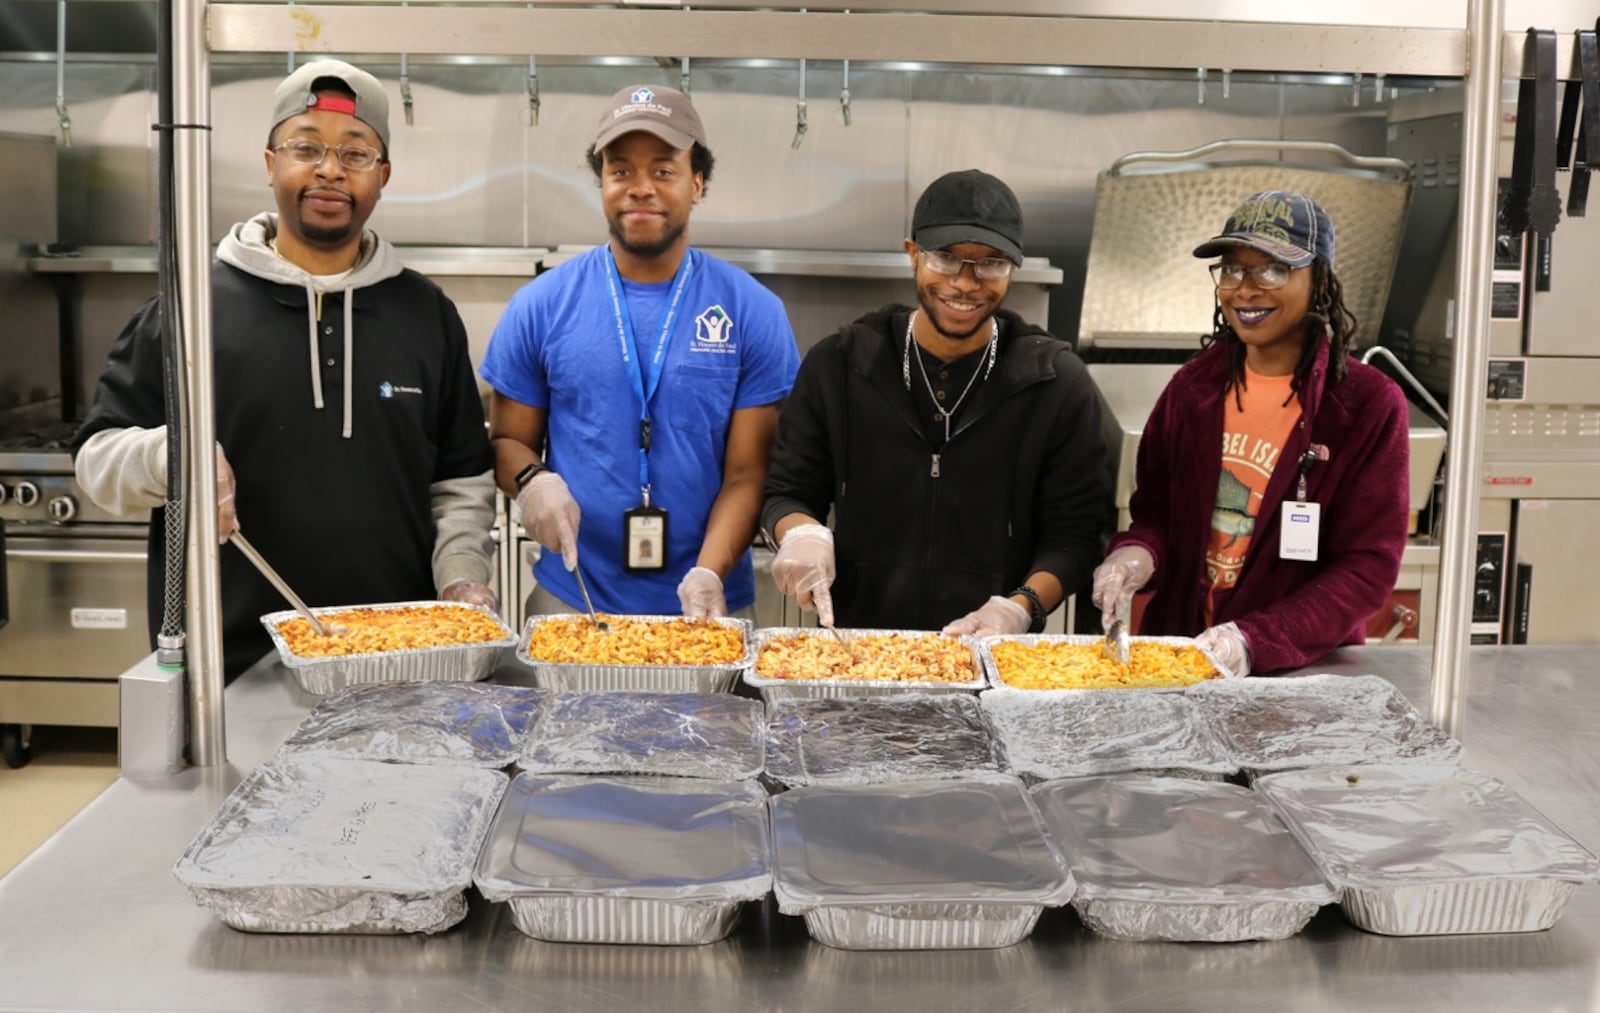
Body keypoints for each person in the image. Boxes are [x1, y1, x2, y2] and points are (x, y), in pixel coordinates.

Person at [73, 59, 498, 681]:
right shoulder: (190, 306)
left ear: (383, 177)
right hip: (227, 667)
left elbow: (461, 482)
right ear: (271, 162)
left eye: (355, 154)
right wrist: (175, 458)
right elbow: (96, 459)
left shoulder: (425, 312)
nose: (329, 170)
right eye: (306, 147)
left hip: (402, 661)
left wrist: (463, 580)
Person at [481, 84, 799, 620]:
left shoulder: (751, 311)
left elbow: (749, 473)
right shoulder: (541, 305)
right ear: (602, 182)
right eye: (621, 171)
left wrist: (708, 574)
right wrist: (533, 481)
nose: (641, 188)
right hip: (571, 602)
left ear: (697, 184)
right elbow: (509, 440)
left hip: (710, 605)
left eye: (664, 170)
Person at [762, 169, 1113, 636]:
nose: (966, 284)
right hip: (860, 650)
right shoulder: (841, 365)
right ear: (913, 255)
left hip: (992, 661)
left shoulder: (1056, 383)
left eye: (991, 263)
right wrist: (801, 534)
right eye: (946, 259)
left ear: (1014, 268)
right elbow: (786, 492)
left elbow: (1076, 535)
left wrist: (1022, 605)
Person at [1092, 189, 1410, 676]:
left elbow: (1366, 568)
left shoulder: (1364, 406)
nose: (1246, 288)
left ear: (1319, 281)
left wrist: (1254, 640)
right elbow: (1154, 516)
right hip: (1184, 659)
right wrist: (1134, 556)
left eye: (1273, 269)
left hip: (1301, 669)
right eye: (1233, 268)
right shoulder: (1192, 390)